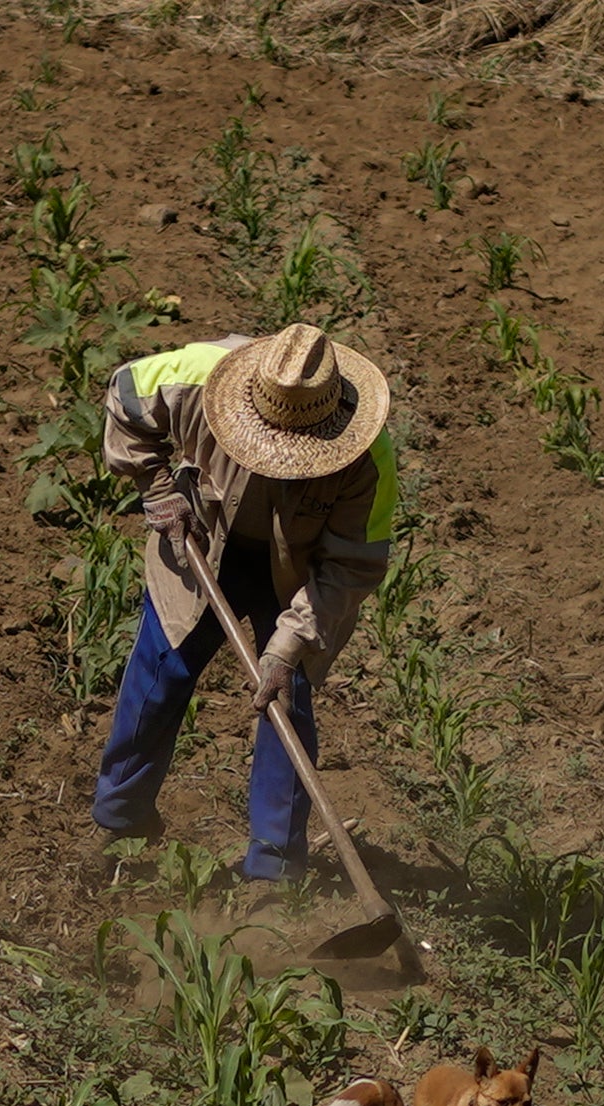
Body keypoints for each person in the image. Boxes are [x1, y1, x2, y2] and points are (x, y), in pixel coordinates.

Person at [91, 323, 397, 891]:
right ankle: (121, 819)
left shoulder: (367, 455)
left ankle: (272, 874)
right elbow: (124, 394)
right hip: (201, 544)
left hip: (298, 580)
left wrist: (286, 648)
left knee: (286, 702)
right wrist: (158, 488)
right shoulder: (195, 376)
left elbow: (351, 565)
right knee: (161, 675)